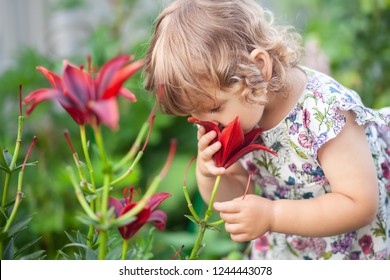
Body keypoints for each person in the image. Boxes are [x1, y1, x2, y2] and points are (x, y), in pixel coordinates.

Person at [143, 0, 390, 260]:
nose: (208, 124)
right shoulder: (245, 112)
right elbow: (239, 195)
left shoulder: (324, 113)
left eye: (214, 108)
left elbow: (359, 204)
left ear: (259, 68)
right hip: (289, 251)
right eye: (194, 114)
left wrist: (272, 215)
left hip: (352, 251)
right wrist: (210, 173)